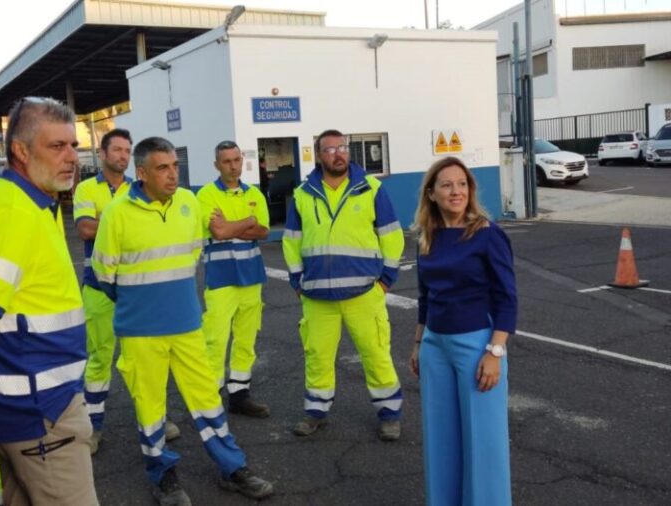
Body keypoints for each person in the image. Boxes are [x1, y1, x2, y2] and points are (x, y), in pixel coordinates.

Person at [92, 136, 273, 505]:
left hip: (187, 324)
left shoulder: (189, 204)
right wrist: (143, 303)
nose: (173, 174)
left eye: (175, 166)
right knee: (151, 407)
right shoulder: (117, 213)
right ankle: (163, 475)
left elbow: (193, 255)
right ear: (141, 173)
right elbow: (104, 275)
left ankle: (232, 468)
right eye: (163, 168)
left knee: (207, 399)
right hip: (141, 331)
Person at [0, 96, 98, 505]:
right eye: (56, 146)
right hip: (41, 413)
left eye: (73, 145)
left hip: (24, 411)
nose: (71, 157)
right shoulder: (12, 213)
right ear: (21, 151)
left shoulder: (18, 201)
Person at [282, 129, 405, 441]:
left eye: (343, 148)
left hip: (364, 293)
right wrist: (298, 281)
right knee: (317, 356)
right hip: (316, 296)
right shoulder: (302, 194)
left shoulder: (371, 188)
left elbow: (391, 236)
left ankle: (390, 414)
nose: (338, 154)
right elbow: (291, 242)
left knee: (376, 353)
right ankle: (316, 412)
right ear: (318, 155)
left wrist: (386, 280)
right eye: (330, 149)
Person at [408, 156, 516, 506]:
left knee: (483, 443)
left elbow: (507, 298)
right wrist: (418, 342)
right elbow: (426, 296)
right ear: (432, 193)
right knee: (440, 441)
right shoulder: (428, 236)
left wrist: (495, 352)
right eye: (447, 185)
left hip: (477, 346)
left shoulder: (487, 234)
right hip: (435, 346)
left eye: (462, 184)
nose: (456, 191)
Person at [73, 128, 182, 453]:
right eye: (116, 149)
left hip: (138, 291)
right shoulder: (85, 188)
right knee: (99, 360)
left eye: (126, 150)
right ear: (103, 154)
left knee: (146, 361)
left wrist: (107, 221)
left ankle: (156, 418)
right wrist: (124, 222)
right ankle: (92, 427)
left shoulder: (142, 188)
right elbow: (83, 229)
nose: (122, 155)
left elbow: (108, 227)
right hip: (99, 288)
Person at [197, 141, 270, 418]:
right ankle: (210, 399)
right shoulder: (205, 195)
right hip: (221, 279)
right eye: (226, 161)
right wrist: (246, 222)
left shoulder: (254, 193)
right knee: (215, 340)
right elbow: (218, 232)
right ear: (217, 165)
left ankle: (239, 395)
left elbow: (263, 232)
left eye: (236, 160)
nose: (233, 165)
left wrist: (233, 226)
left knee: (246, 339)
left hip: (251, 277)